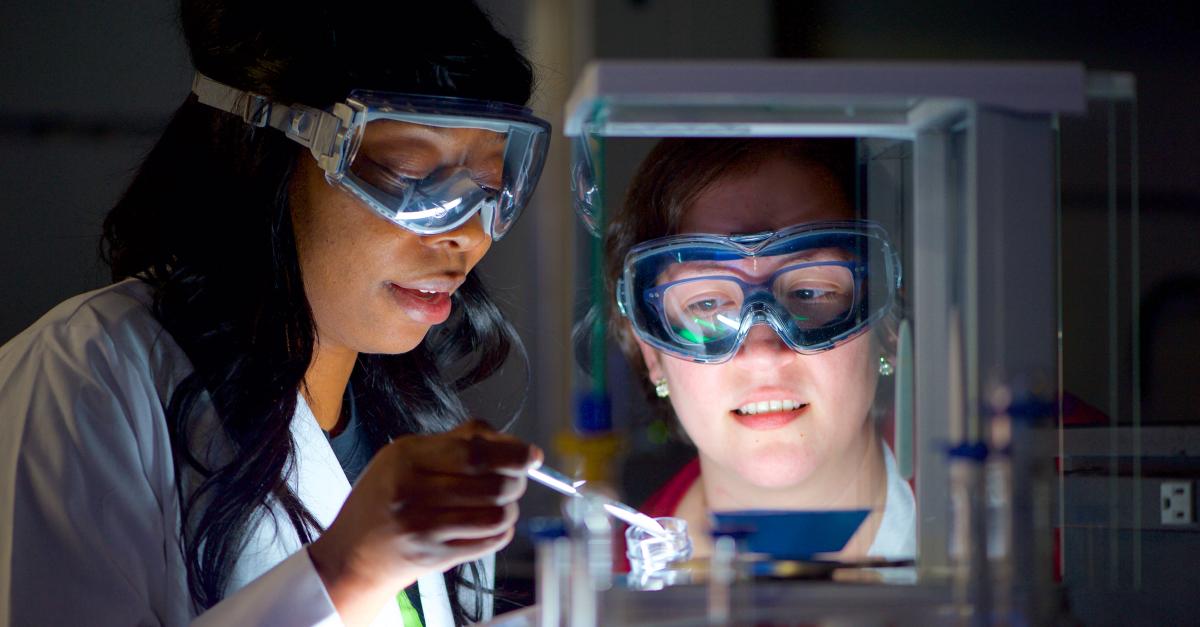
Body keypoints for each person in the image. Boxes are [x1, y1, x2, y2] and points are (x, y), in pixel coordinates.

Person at [0, 2, 550, 626]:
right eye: (410, 175)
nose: (466, 237)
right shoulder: (85, 373)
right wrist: (349, 569)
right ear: (261, 155)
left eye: (487, 186)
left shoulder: (412, 420)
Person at [605, 138, 915, 564]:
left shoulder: (1014, 550)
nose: (763, 354)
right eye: (707, 304)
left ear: (889, 327)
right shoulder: (606, 594)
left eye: (810, 292)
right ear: (652, 353)